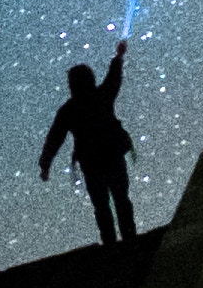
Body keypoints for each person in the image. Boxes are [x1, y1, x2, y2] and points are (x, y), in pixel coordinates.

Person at [38, 41, 138, 247]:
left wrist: (45, 164)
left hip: (91, 161)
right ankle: (129, 238)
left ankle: (110, 243)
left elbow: (54, 138)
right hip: (111, 155)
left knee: (101, 204)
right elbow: (113, 79)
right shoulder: (101, 97)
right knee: (120, 198)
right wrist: (118, 58)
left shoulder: (68, 110)